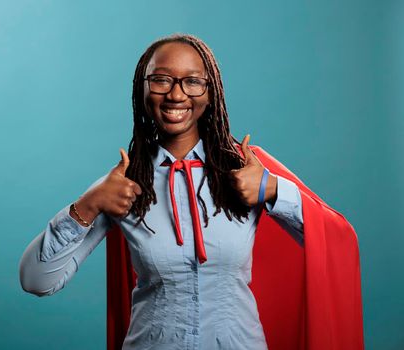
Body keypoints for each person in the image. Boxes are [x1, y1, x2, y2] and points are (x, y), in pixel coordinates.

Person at [19, 34, 363, 350]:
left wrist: (273, 190)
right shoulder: (124, 182)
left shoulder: (247, 168)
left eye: (193, 82)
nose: (176, 94)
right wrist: (88, 205)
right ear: (142, 88)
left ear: (211, 91)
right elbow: (36, 280)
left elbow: (335, 243)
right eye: (161, 79)